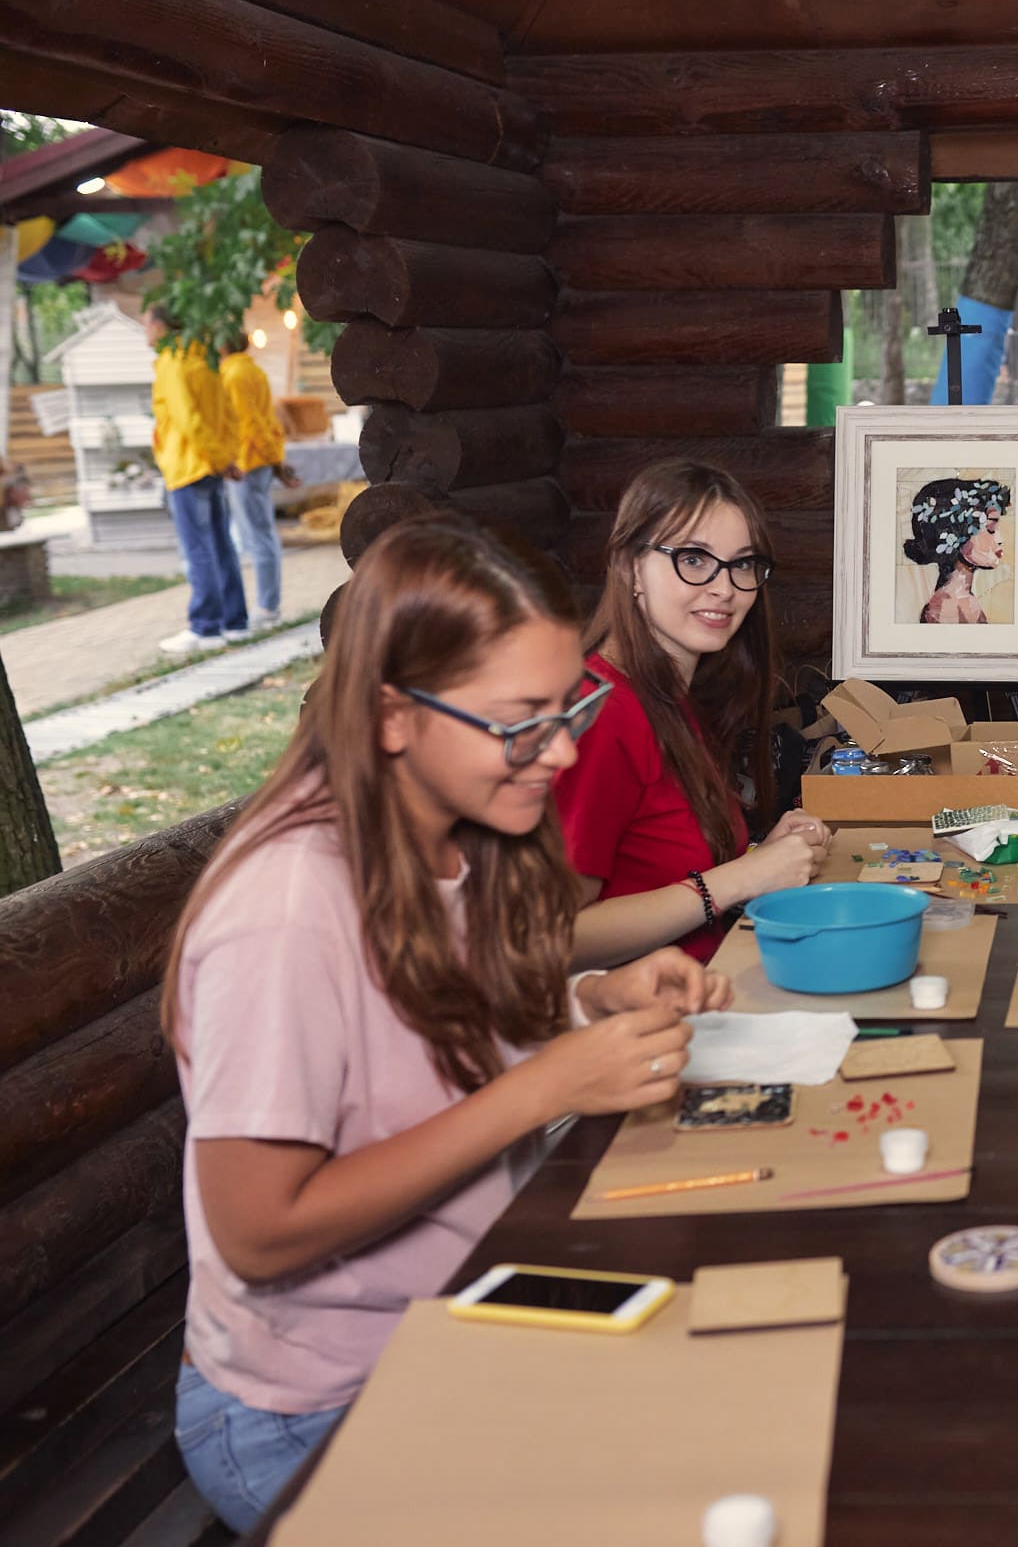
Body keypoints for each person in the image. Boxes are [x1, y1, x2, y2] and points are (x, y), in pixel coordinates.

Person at [165, 517, 727, 1531]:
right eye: (521, 722)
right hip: (315, 1409)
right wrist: (545, 1086)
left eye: (569, 709)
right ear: (393, 716)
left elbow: (430, 1034)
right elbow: (258, 1231)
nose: (562, 751)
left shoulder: (457, 837)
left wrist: (590, 1000)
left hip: (463, 1314)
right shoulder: (287, 909)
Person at [552, 458, 827, 970]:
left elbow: (659, 874)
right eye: (694, 559)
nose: (725, 588)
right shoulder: (601, 714)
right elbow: (555, 937)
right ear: (631, 567)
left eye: (742, 564)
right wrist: (739, 879)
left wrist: (763, 857)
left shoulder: (670, 697)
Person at [148, 310, 246, 653]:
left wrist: (219, 459)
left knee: (199, 548)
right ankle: (234, 622)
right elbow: (229, 415)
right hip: (213, 464)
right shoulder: (207, 358)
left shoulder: (171, 361)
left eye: (146, 323)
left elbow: (186, 418)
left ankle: (206, 627)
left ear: (160, 326)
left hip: (188, 465)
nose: (145, 332)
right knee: (220, 544)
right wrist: (227, 458)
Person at [219, 341, 288, 626]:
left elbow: (249, 424)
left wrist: (269, 459)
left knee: (258, 535)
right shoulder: (253, 370)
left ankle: (267, 607)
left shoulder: (234, 375)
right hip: (257, 460)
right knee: (260, 533)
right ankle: (267, 603)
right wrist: (275, 458)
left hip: (247, 462)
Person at [905, 475, 1010, 624]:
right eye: (990, 528)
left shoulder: (964, 602)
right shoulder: (946, 610)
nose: (1000, 539)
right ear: (957, 534)